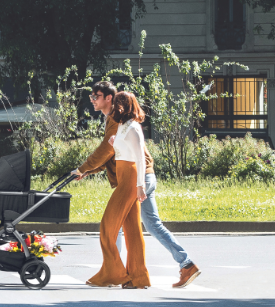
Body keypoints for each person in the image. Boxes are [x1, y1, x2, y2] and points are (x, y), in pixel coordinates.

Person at [72, 82, 200, 288]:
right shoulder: (117, 122)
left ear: (110, 99)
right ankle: (170, 269)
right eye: (91, 97)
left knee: (113, 224)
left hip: (138, 178)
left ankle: (117, 272)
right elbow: (114, 153)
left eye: (96, 96)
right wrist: (89, 171)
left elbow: (113, 152)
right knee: (144, 225)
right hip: (138, 177)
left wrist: (84, 168)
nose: (93, 100)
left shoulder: (121, 122)